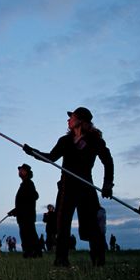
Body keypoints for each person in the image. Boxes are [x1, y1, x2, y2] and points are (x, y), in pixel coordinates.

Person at [24, 107, 113, 267]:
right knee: (62, 225)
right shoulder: (65, 141)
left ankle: (98, 260)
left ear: (81, 121)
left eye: (72, 117)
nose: (68, 120)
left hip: (86, 186)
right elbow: (51, 157)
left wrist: (107, 184)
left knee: (92, 225)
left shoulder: (95, 140)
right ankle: (61, 260)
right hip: (66, 187)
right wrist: (33, 152)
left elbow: (108, 161)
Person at [8, 164, 42, 258]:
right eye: (19, 170)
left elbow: (33, 197)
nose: (19, 172)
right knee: (26, 233)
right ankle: (31, 252)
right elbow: (24, 201)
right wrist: (15, 210)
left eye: (22, 170)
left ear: (27, 172)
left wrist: (18, 210)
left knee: (29, 233)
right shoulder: (25, 184)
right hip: (23, 214)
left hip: (27, 214)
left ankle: (33, 252)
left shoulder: (28, 183)